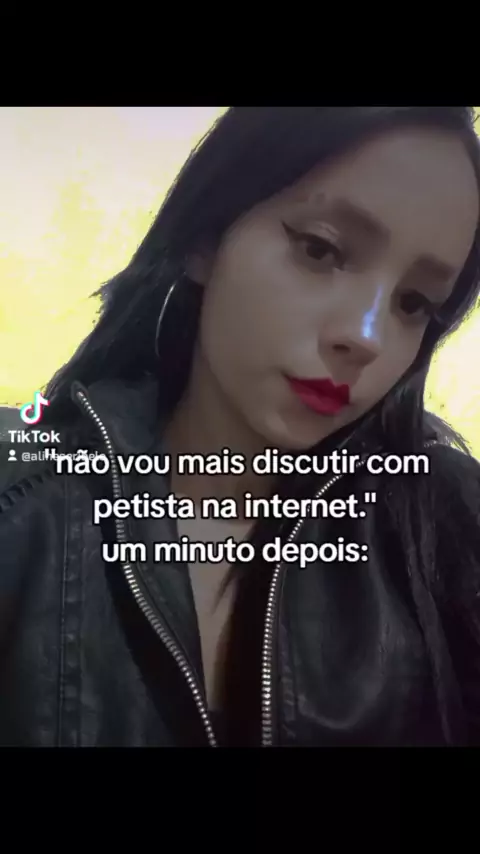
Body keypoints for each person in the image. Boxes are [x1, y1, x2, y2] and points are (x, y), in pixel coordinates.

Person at [1, 106, 480, 747]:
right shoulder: (23, 508)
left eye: (414, 302)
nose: (367, 337)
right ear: (207, 235)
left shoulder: (448, 522)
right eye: (321, 249)